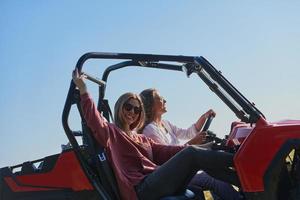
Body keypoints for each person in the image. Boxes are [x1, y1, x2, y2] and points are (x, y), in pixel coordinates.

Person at [72, 69, 238, 200]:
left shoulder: (142, 138)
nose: (132, 112)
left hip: (155, 181)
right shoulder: (111, 132)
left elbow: (167, 152)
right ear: (119, 108)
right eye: (128, 107)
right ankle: (242, 158)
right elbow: (93, 119)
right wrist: (83, 90)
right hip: (141, 189)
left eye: (137, 110)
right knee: (192, 154)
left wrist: (207, 147)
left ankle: (245, 180)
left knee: (197, 158)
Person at [140, 88, 242, 200]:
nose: (165, 101)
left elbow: (187, 133)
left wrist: (204, 117)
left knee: (213, 169)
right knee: (214, 180)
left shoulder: (165, 123)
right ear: (151, 104)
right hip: (175, 173)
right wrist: (194, 142)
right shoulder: (149, 130)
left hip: (184, 167)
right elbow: (168, 158)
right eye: (160, 99)